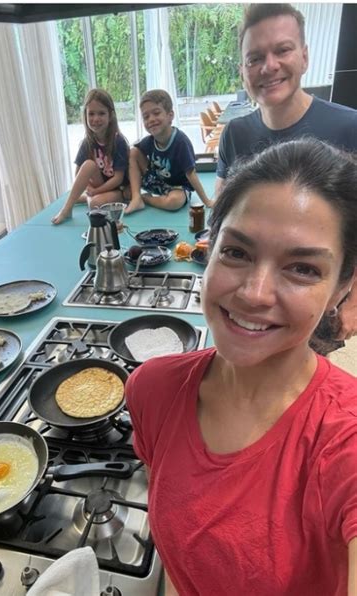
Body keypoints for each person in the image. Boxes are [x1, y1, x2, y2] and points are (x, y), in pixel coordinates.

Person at [126, 139, 357, 596]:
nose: (254, 293)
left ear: (340, 289)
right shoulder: (151, 390)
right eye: (236, 252)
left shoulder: (344, 440)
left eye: (303, 269)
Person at [215, 3, 357, 342]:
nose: (269, 66)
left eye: (282, 50)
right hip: (245, 301)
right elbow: (220, 219)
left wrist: (353, 303)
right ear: (243, 70)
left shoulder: (349, 127)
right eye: (255, 58)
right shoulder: (235, 134)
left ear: (304, 57)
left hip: (317, 305)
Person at [125, 89, 212, 215]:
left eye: (156, 113)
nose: (151, 119)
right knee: (133, 152)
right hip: (156, 182)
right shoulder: (149, 141)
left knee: (174, 202)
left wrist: (207, 201)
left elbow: (191, 173)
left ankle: (145, 199)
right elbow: (131, 157)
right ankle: (137, 197)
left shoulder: (180, 142)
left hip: (178, 188)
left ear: (170, 115)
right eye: (146, 117)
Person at [52, 89, 129, 225]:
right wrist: (89, 188)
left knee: (95, 205)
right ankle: (67, 208)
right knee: (88, 164)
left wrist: (95, 191)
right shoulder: (87, 142)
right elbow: (79, 174)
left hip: (118, 189)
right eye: (91, 114)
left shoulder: (118, 141)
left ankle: (86, 198)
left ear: (110, 115)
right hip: (99, 185)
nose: (96, 119)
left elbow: (118, 179)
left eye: (101, 113)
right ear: (85, 116)